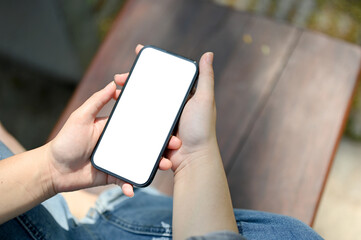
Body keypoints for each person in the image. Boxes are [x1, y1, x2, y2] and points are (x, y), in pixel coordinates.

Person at [0, 45, 323, 239]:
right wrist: (196, 153)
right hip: (145, 221)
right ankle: (82, 205)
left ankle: (72, 202)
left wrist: (52, 169)